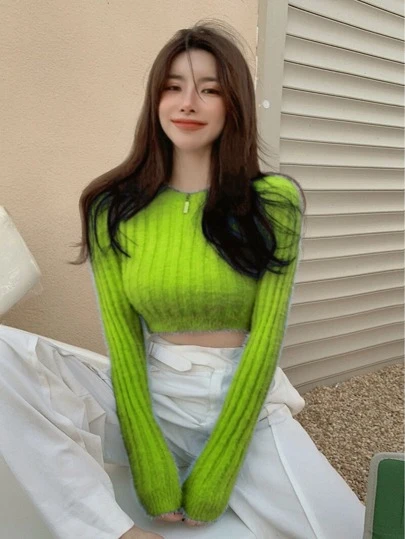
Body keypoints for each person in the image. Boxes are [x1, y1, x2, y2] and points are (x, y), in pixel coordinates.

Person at [0, 20, 366, 539]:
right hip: (152, 389)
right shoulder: (112, 206)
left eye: (209, 90)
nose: (187, 103)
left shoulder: (273, 202)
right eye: (173, 87)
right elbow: (123, 340)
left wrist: (219, 467)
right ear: (156, 100)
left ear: (234, 105)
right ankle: (114, 532)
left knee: (347, 527)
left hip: (241, 397)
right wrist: (147, 457)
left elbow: (267, 338)